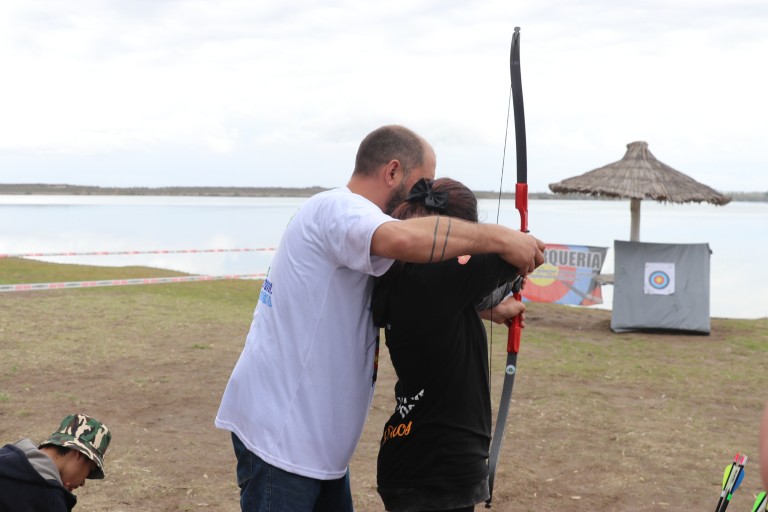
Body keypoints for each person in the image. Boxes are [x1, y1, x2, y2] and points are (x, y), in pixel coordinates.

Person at [215, 125, 546, 511]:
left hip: (315, 449)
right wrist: (502, 238)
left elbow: (406, 298)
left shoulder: (355, 229)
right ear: (392, 172)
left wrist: (477, 306)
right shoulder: (339, 208)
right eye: (422, 184)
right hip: (282, 442)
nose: (425, 198)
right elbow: (405, 238)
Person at [371, 178, 525, 512]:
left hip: (409, 457)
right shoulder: (441, 274)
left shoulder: (400, 277)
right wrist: (514, 247)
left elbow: (436, 309)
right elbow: (527, 253)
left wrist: (484, 308)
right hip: (439, 467)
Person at [0, 413, 112, 512]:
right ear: (79, 454)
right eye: (89, 470)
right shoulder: (49, 500)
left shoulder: (5, 457)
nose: (82, 483)